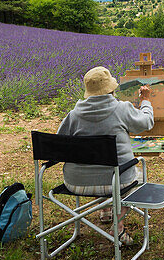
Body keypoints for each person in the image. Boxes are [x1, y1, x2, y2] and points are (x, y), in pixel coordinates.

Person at [56, 66, 154, 246]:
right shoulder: (121, 109)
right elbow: (146, 122)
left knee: (96, 164)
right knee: (133, 176)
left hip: (76, 182)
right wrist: (145, 101)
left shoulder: (74, 115)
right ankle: (118, 225)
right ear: (111, 89)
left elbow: (59, 142)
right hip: (118, 181)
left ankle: (106, 209)